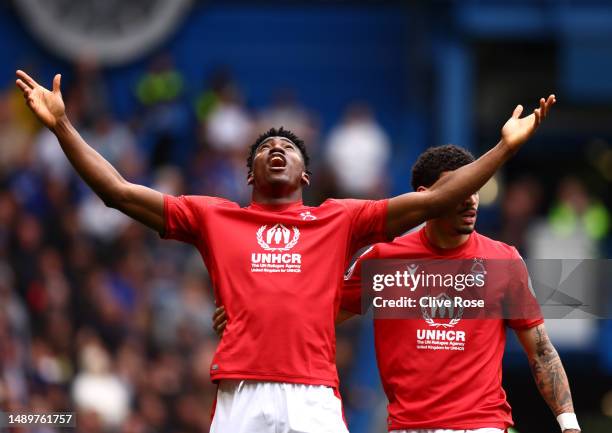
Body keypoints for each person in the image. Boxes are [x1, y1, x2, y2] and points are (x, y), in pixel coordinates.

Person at [16, 70, 555, 433]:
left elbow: (439, 196)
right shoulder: (212, 216)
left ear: (307, 173)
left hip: (314, 395)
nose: (277, 149)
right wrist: (63, 126)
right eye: (265, 148)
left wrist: (505, 147)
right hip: (242, 392)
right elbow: (118, 192)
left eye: (289, 147)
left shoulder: (340, 219)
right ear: (248, 173)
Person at [216, 145, 579, 433]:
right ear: (425, 197)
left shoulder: (504, 261)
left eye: (476, 190)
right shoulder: (382, 261)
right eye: (460, 190)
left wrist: (569, 423)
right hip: (408, 427)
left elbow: (542, 351)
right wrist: (248, 314)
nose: (471, 200)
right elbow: (313, 317)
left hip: (481, 424)